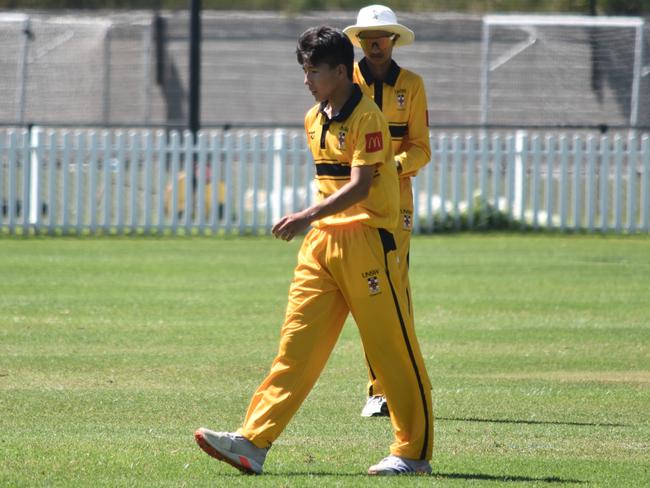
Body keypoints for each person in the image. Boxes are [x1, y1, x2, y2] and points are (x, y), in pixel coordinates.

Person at [194, 26, 433, 476]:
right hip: (321, 244)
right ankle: (252, 442)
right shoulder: (313, 118)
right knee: (295, 347)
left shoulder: (368, 119)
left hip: (367, 240)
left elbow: (361, 188)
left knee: (390, 351)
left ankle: (412, 452)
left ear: (340, 71)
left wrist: (306, 215)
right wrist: (314, 223)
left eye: (313, 71)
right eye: (304, 70)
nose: (306, 79)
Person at [343, 4, 432, 418]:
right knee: (367, 292)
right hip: (354, 203)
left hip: (397, 204)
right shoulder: (347, 81)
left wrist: (390, 167)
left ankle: (395, 386)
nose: (374, 45)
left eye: (381, 38)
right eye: (367, 38)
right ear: (358, 41)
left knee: (396, 291)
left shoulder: (411, 85)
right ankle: (379, 390)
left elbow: (420, 148)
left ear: (393, 40)